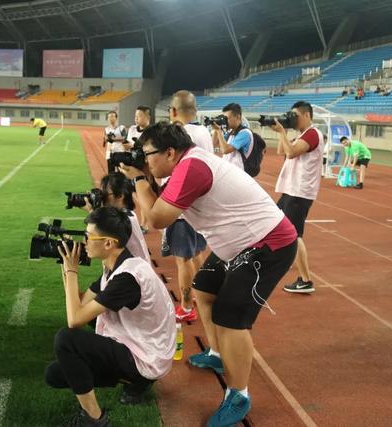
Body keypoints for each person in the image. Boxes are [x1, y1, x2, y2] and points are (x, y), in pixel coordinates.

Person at [118, 122, 298, 427]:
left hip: (268, 245)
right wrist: (146, 175)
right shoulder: (185, 165)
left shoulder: (192, 168)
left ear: (170, 152)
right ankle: (217, 352)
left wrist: (138, 180)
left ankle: (239, 394)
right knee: (204, 289)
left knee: (231, 318)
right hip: (238, 244)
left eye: (148, 155)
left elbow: (156, 218)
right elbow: (160, 204)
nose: (144, 160)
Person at [45, 207, 175, 427]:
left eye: (88, 236)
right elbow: (80, 304)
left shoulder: (127, 278)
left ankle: (95, 419)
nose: (84, 241)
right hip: (136, 344)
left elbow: (73, 320)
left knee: (66, 339)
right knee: (55, 374)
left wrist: (72, 271)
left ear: (108, 243)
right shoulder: (115, 267)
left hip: (146, 357)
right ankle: (132, 383)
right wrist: (65, 266)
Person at [164, 90, 214, 322]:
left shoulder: (177, 134)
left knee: (182, 259)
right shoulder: (204, 131)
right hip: (202, 206)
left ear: (173, 111)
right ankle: (209, 294)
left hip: (181, 206)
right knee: (196, 254)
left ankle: (186, 306)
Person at [270, 101, 323, 294]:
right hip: (291, 191)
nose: (293, 119)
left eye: (295, 116)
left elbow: (291, 153)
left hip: (300, 193)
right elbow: (280, 151)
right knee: (274, 224)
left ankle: (306, 280)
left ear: (307, 115)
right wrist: (281, 133)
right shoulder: (301, 135)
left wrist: (284, 132)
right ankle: (279, 260)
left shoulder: (312, 134)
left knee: (294, 235)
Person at [80, 172, 151, 264]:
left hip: (133, 272)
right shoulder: (128, 214)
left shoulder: (125, 220)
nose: (102, 198)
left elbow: (100, 230)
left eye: (105, 194)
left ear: (120, 196)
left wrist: (92, 211)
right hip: (131, 266)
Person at [126, 106, 153, 233]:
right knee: (132, 193)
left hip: (146, 168)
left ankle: (144, 224)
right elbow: (127, 145)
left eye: (139, 116)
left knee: (145, 194)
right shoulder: (131, 129)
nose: (136, 118)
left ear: (148, 117)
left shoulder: (153, 132)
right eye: (135, 116)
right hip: (132, 165)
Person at [212, 103, 253, 171]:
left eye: (226, 118)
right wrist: (216, 129)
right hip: (228, 171)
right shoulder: (230, 132)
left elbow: (225, 150)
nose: (225, 121)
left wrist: (218, 130)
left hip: (238, 173)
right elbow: (214, 144)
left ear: (238, 117)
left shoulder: (245, 133)